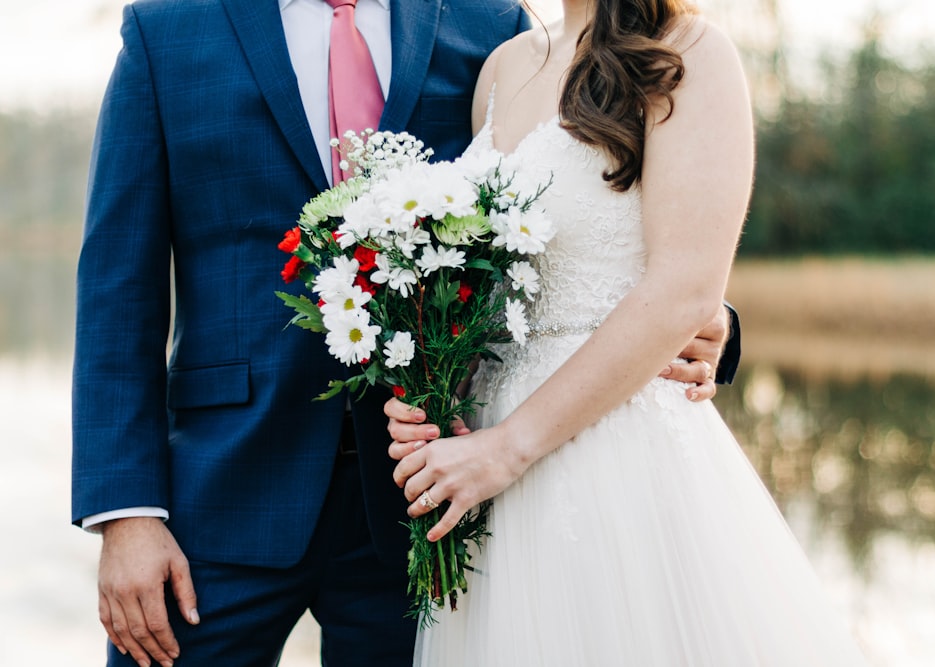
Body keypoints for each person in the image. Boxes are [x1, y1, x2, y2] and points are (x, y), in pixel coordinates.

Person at [72, 1, 732, 666]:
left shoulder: (488, 29)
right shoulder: (167, 29)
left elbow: (558, 209)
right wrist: (125, 513)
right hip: (219, 497)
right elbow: (117, 286)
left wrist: (708, 318)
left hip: (428, 506)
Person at [387, 0, 871, 664]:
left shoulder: (689, 53)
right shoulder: (503, 66)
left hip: (614, 448)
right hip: (482, 456)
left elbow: (686, 288)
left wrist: (509, 448)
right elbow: (487, 285)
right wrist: (432, 393)